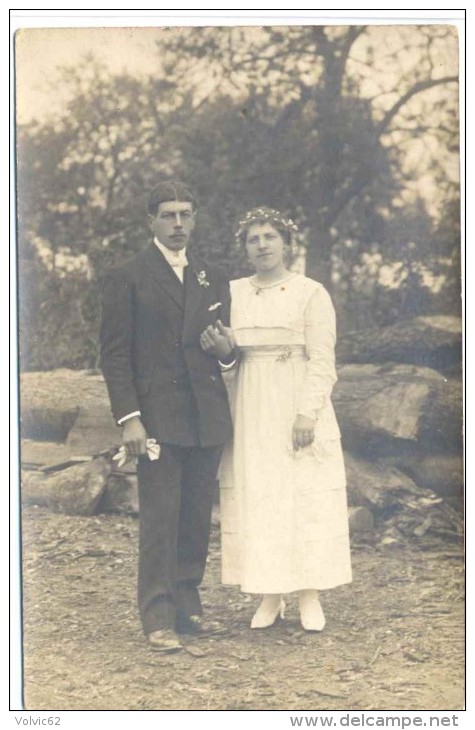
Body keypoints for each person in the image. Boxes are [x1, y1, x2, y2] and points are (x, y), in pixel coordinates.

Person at [200, 207, 352, 632]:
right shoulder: (232, 293)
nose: (262, 245)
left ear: (286, 243)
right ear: (245, 247)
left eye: (270, 237)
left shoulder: (310, 292)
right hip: (250, 405)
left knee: (303, 494)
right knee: (260, 495)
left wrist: (308, 412)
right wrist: (224, 354)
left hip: (297, 402)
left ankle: (309, 594)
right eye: (254, 239)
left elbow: (323, 360)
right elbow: (228, 359)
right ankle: (270, 594)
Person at [100, 182, 234, 652]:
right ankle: (158, 616)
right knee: (161, 516)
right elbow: (115, 357)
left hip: (206, 415)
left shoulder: (212, 276)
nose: (178, 225)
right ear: (150, 222)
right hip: (157, 418)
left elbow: (225, 351)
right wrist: (130, 419)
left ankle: (187, 604)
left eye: (185, 214)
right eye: (168, 216)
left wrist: (226, 355)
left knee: (197, 514)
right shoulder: (128, 275)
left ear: (195, 219)